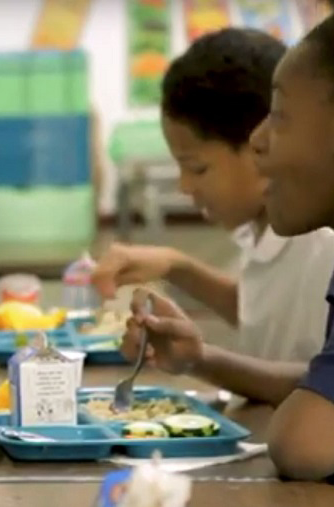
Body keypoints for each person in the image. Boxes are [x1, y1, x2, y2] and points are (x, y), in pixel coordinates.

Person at [127, 15, 334, 481]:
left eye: (197, 169)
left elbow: (307, 423)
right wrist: (177, 269)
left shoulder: (321, 240)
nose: (262, 141)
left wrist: (208, 362)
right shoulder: (274, 229)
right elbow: (270, 317)